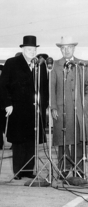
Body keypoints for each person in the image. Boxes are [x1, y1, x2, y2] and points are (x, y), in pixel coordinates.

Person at [0, 35, 49, 180]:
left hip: (34, 110)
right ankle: (18, 171)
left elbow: (44, 88)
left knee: (32, 141)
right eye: (28, 49)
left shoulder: (40, 65)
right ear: (22, 49)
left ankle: (28, 170)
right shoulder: (12, 63)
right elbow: (2, 85)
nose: (31, 52)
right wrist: (7, 104)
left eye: (33, 49)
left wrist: (43, 106)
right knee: (19, 141)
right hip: (17, 109)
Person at [51, 36, 88, 177]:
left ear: (74, 48)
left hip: (79, 110)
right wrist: (53, 107)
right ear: (60, 49)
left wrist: (85, 103)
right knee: (62, 140)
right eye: (63, 48)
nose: (66, 50)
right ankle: (64, 169)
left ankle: (79, 169)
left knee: (79, 140)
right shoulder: (54, 65)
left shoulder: (83, 64)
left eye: (69, 47)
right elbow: (51, 87)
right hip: (61, 109)